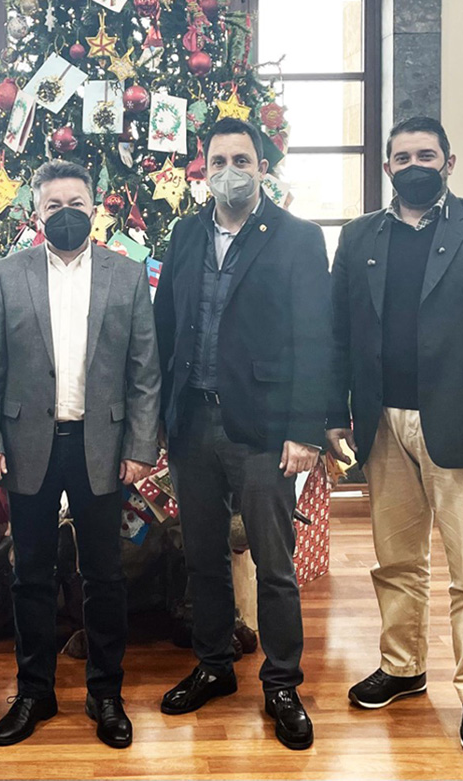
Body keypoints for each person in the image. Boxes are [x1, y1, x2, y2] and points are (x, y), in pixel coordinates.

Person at [326, 116, 463, 753]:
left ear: (448, 163)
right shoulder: (359, 236)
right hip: (382, 423)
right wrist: (335, 412)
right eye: (403, 157)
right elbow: (338, 334)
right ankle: (403, 667)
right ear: (387, 168)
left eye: (427, 155)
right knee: (396, 562)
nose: (415, 165)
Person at [0, 159, 160, 749]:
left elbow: (145, 372)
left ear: (94, 208)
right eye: (54, 205)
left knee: (104, 574)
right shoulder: (8, 274)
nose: (66, 213)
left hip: (102, 445)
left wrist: (141, 447)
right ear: (37, 212)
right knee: (30, 573)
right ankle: (35, 692)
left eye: (76, 203)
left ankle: (106, 692)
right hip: (26, 445)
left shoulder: (126, 275)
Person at [153, 117, 332, 751]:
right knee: (202, 556)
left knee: (273, 564)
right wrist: (160, 417)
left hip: (264, 429)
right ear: (202, 171)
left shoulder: (297, 238)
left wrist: (305, 431)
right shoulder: (184, 234)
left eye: (242, 160)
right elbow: (165, 326)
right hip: (192, 423)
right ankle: (214, 665)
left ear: (262, 167)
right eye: (218, 161)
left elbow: (316, 337)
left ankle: (281, 682)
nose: (230, 171)